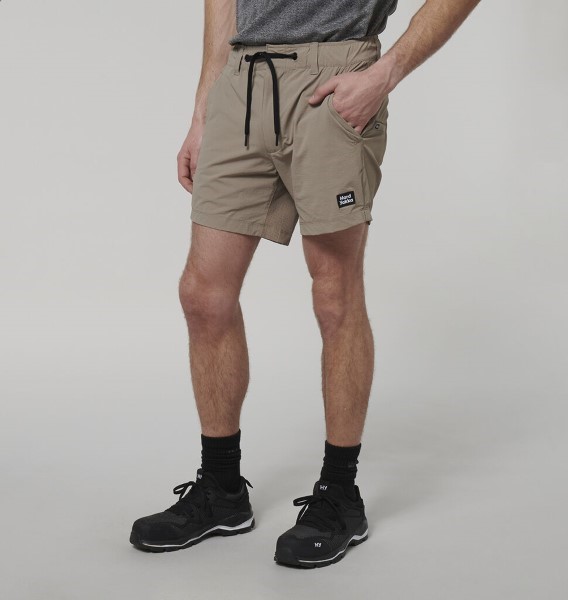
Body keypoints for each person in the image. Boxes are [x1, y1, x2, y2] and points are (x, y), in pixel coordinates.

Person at [130, 0, 480, 568]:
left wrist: (385, 73)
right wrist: (204, 107)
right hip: (242, 81)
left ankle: (340, 495)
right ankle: (221, 490)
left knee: (334, 296)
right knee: (203, 295)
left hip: (334, 80)